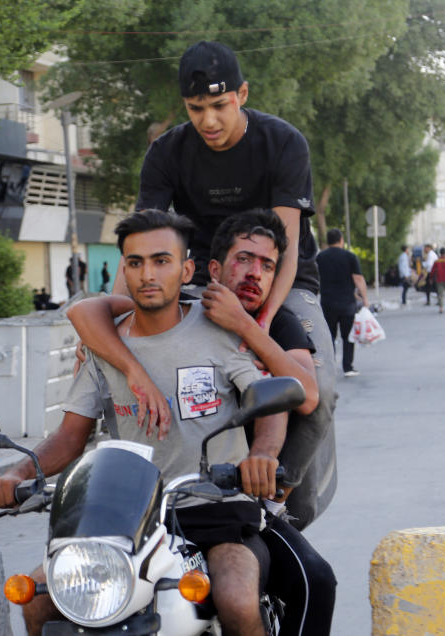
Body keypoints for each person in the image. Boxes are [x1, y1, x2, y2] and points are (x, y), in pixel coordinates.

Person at [0, 211, 329, 636]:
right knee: (40, 600)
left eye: (161, 261)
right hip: (126, 517)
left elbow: (274, 397)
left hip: (216, 509)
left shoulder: (220, 329)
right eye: (136, 262)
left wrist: (262, 453)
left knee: (238, 601)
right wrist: (20, 472)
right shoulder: (104, 345)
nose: (148, 274)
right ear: (123, 271)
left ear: (187, 270)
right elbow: (70, 436)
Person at [106, 40, 337, 528]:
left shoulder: (283, 142)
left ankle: (282, 502)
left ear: (242, 94)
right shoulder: (166, 152)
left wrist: (261, 327)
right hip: (204, 277)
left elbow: (287, 245)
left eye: (219, 106)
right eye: (196, 109)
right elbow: (144, 238)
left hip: (280, 278)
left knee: (320, 390)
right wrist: (118, 316)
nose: (208, 121)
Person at [316, 228, 369, 376]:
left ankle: (329, 366)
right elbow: (358, 278)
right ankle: (348, 367)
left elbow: (315, 279)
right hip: (347, 304)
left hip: (327, 303)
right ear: (341, 240)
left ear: (328, 241)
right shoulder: (350, 257)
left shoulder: (320, 257)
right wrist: (365, 298)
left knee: (329, 336)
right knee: (348, 336)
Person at [429, 248, 445, 314]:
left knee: (440, 295)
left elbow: (432, 271)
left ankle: (441, 308)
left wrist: (431, 278)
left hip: (439, 280)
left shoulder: (436, 261)